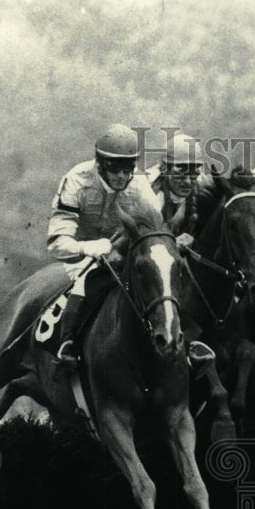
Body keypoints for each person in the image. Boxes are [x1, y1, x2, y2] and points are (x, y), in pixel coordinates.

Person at [48, 123, 162, 368]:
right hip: (82, 259)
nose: (121, 175)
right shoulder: (76, 180)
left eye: (127, 167)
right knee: (87, 278)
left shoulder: (139, 185)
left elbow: (156, 230)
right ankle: (68, 343)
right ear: (99, 163)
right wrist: (87, 248)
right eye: (114, 167)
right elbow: (56, 244)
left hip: (123, 255)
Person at [146, 132, 215, 240]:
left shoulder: (204, 185)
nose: (188, 182)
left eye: (193, 173)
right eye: (180, 174)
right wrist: (173, 243)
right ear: (164, 169)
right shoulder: (146, 189)